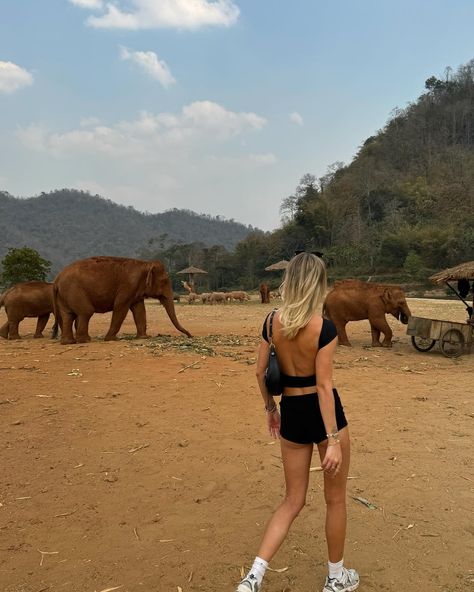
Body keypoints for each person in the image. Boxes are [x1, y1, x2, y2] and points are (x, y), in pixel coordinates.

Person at [236, 253, 359, 592]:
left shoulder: (270, 321)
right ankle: (336, 579)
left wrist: (269, 408)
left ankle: (253, 578)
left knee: (292, 501)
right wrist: (332, 438)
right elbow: (323, 386)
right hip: (323, 415)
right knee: (335, 500)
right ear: (317, 285)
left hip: (291, 411)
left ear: (289, 282)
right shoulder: (325, 328)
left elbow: (258, 371)